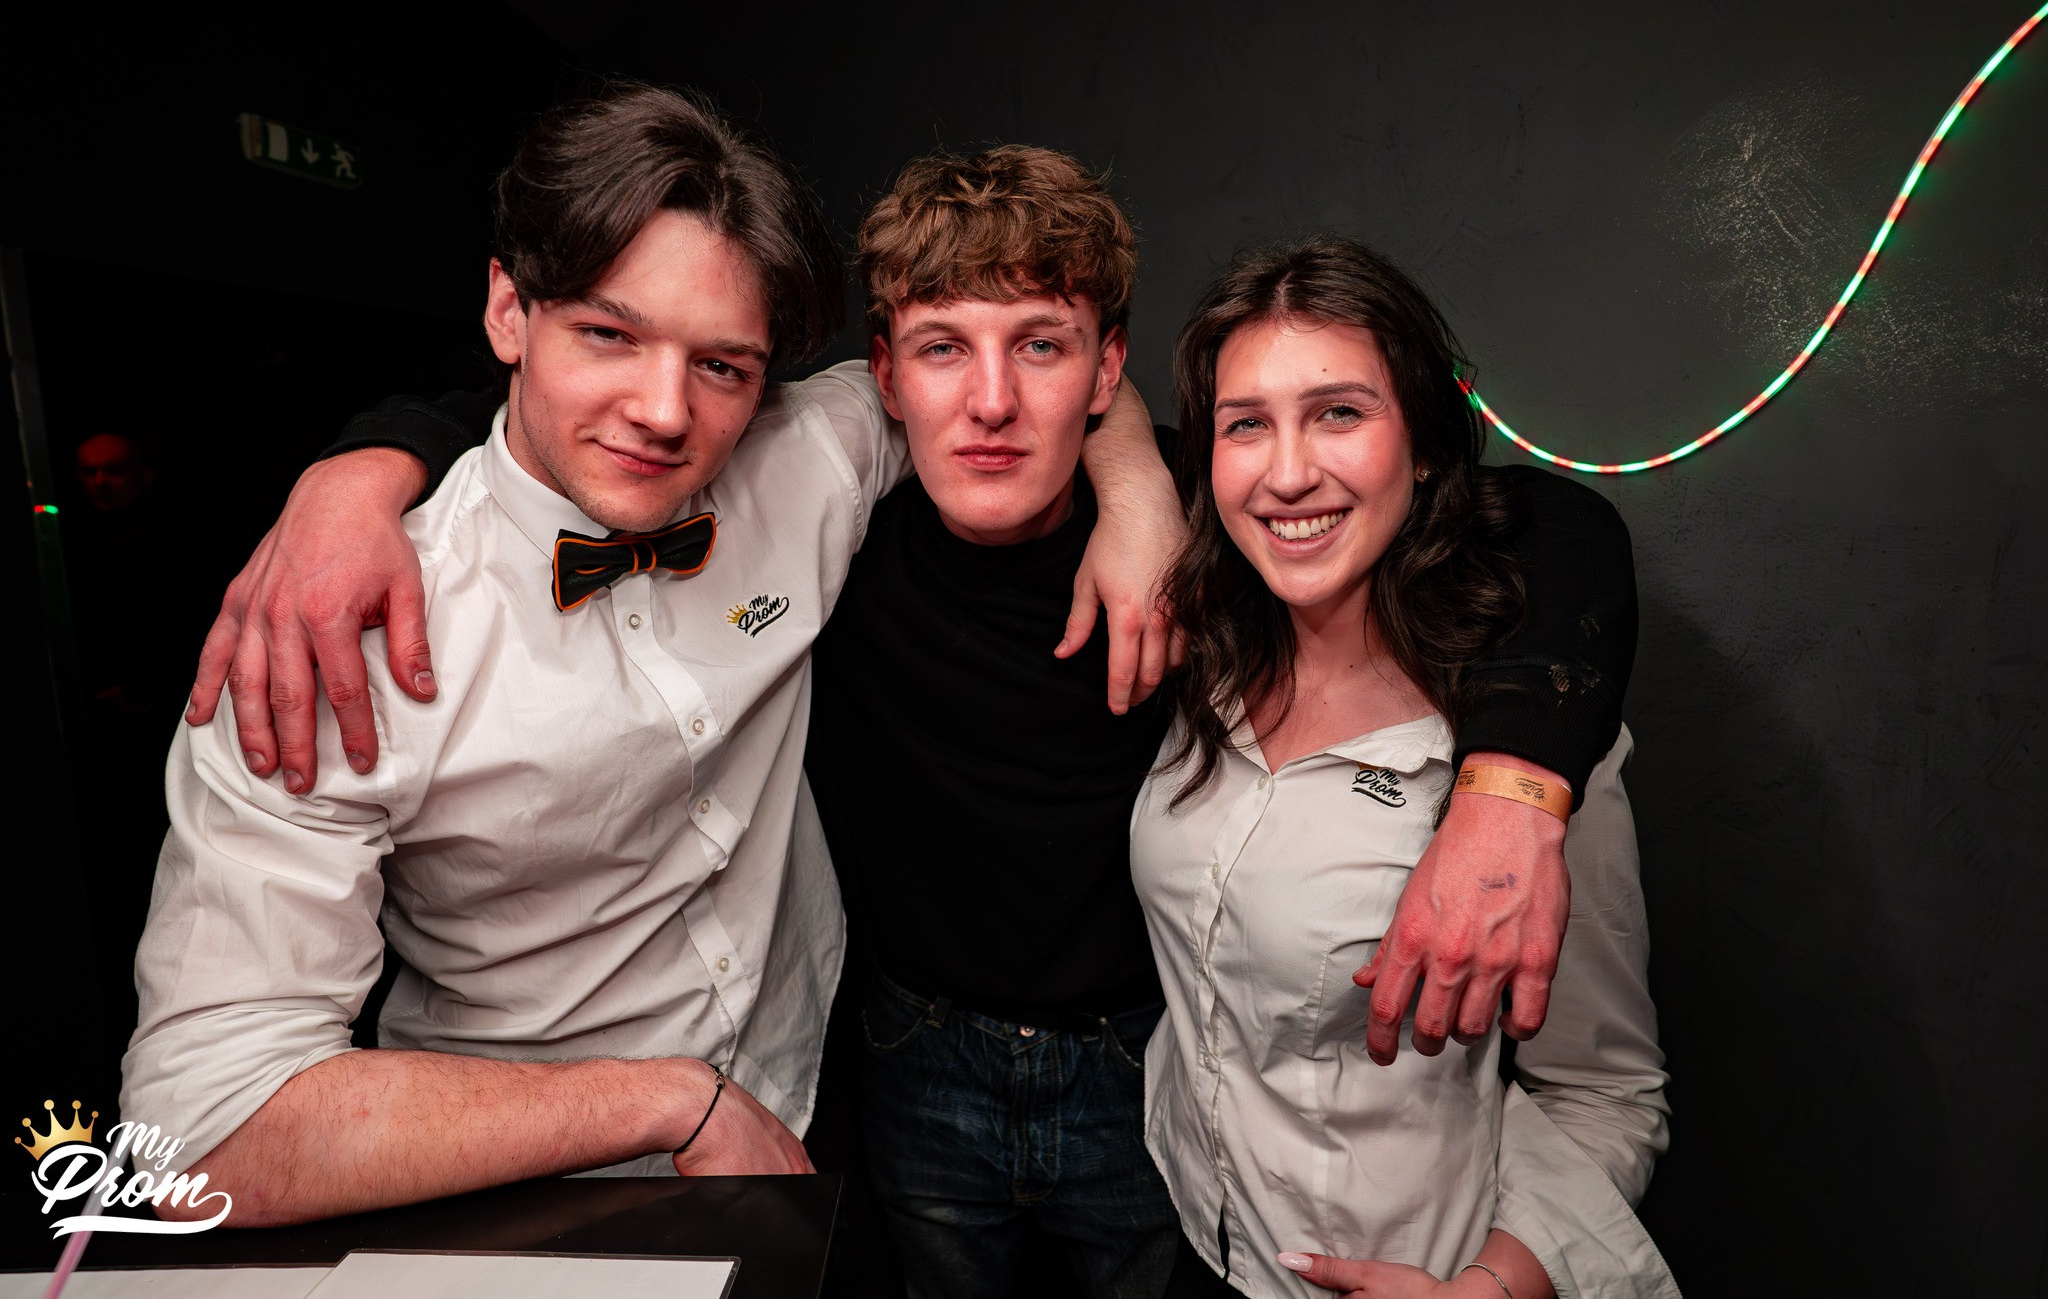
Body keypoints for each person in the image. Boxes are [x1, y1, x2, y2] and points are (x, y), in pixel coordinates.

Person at [230, 145, 1643, 1296]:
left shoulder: (1229, 540)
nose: (990, 402)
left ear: (1106, 372)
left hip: (1142, 1067)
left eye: (1042, 349)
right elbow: (569, 405)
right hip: (906, 1055)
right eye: (943, 351)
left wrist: (1510, 785)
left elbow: (1550, 530)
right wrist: (360, 469)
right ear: (884, 376)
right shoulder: (818, 505)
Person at [121, 83, 1181, 1227]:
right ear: (507, 311)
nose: (664, 411)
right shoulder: (336, 632)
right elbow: (193, 1140)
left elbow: (1017, 362)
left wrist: (1137, 495)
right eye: (608, 335)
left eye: (721, 365)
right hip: (515, 1201)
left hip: (818, 1105)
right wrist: (664, 1102)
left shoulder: (803, 460)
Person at [1137, 238, 1677, 1299]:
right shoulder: (1205, 660)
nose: (1288, 472)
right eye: (1246, 424)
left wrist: (1487, 1290)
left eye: (1338, 412)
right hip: (1194, 1242)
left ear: (1424, 445)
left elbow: (1606, 1094)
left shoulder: (1525, 748)